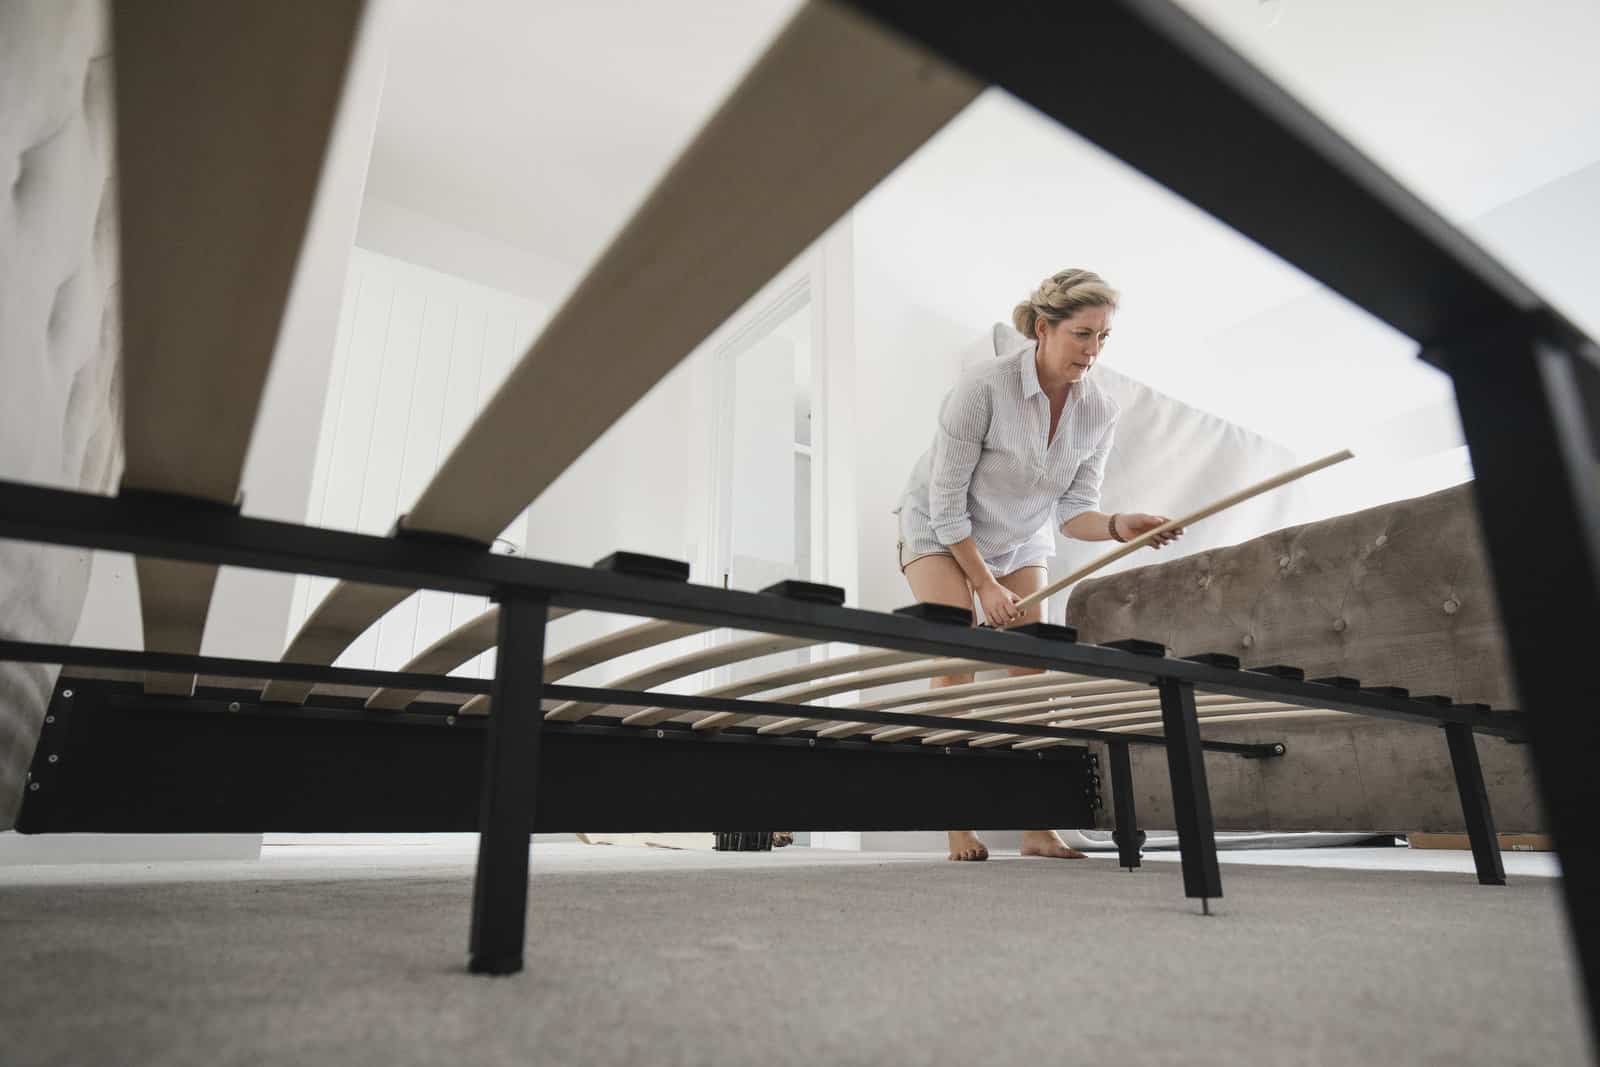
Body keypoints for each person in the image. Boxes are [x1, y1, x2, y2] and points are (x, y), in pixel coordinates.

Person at [894, 269, 1184, 862]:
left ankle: (1036, 827)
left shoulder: (1099, 409)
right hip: (939, 528)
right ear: (1044, 328)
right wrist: (983, 585)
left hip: (1021, 540)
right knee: (960, 659)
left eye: (1103, 338)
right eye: (1082, 334)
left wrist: (1117, 524)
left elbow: (1075, 511)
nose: (1093, 351)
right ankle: (957, 824)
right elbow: (948, 506)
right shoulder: (983, 389)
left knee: (1033, 675)